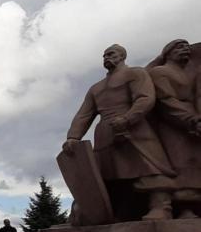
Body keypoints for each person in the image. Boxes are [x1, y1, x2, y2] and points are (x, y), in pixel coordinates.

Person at [63, 44, 175, 220]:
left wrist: (128, 119)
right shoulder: (96, 88)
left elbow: (145, 98)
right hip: (105, 133)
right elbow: (83, 115)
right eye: (104, 55)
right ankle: (111, 212)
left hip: (135, 128)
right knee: (107, 176)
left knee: (151, 167)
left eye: (111, 54)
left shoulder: (136, 73)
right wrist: (73, 136)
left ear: (122, 56)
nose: (106, 57)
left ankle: (161, 207)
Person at [148, 39, 201, 219]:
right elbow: (165, 100)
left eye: (187, 47)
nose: (185, 49)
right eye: (179, 47)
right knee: (180, 164)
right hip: (172, 124)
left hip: (193, 122)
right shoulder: (160, 72)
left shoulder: (189, 74)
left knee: (195, 164)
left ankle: (193, 207)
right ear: (168, 53)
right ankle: (181, 208)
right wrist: (190, 119)